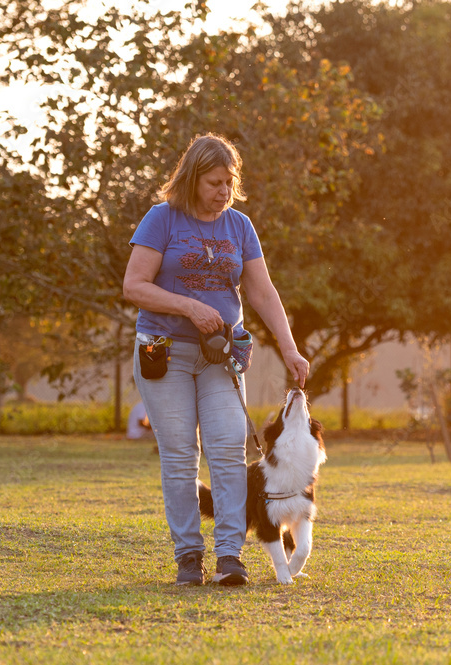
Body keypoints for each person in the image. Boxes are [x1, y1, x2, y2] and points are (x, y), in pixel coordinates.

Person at [123, 133, 309, 587]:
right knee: (180, 455)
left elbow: (262, 291)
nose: (223, 191)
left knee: (228, 449)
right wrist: (188, 306)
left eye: (229, 182)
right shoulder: (161, 219)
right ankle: (189, 556)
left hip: (221, 356)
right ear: (191, 179)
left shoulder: (239, 226)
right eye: (213, 183)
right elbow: (134, 285)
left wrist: (289, 347)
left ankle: (230, 555)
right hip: (164, 352)